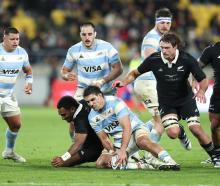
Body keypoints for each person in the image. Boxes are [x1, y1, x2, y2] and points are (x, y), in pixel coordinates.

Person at [113, 32, 220, 168]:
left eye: (167, 48)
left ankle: (216, 157)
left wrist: (201, 91)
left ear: (176, 47)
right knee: (172, 133)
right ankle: (180, 130)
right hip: (166, 102)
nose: (164, 51)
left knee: (196, 129)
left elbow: (203, 79)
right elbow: (135, 72)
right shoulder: (154, 59)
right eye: (162, 47)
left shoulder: (186, 59)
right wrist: (123, 82)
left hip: (186, 100)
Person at [83, 85, 180, 171]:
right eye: (88, 102)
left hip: (135, 129)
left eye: (93, 99)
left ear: (100, 95)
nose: (91, 104)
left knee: (143, 141)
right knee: (102, 163)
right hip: (120, 141)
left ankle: (170, 161)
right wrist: (113, 152)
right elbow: (104, 139)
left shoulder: (115, 102)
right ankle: (143, 165)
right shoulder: (92, 117)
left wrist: (122, 151)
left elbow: (127, 128)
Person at [61, 22, 123, 101]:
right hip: (83, 91)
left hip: (105, 91)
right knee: (73, 111)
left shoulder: (107, 47)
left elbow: (119, 69)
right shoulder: (73, 50)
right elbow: (64, 71)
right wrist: (66, 76)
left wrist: (102, 81)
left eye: (90, 34)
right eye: (84, 34)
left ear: (95, 34)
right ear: (80, 35)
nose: (87, 37)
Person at [0, 27, 33, 163]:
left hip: (8, 96)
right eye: (12, 39)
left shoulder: (22, 53)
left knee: (16, 125)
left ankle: (9, 151)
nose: (15, 42)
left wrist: (29, 83)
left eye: (17, 39)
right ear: (4, 38)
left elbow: (28, 70)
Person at [51, 96, 103, 167]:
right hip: (97, 142)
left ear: (72, 109)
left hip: (93, 150)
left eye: (64, 114)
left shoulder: (80, 119)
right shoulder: (83, 103)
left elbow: (78, 143)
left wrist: (63, 158)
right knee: (72, 124)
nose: (63, 118)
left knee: (62, 163)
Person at [197, 42, 220, 165]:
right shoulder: (212, 50)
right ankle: (217, 154)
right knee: (214, 126)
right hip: (218, 93)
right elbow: (196, 66)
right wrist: (194, 79)